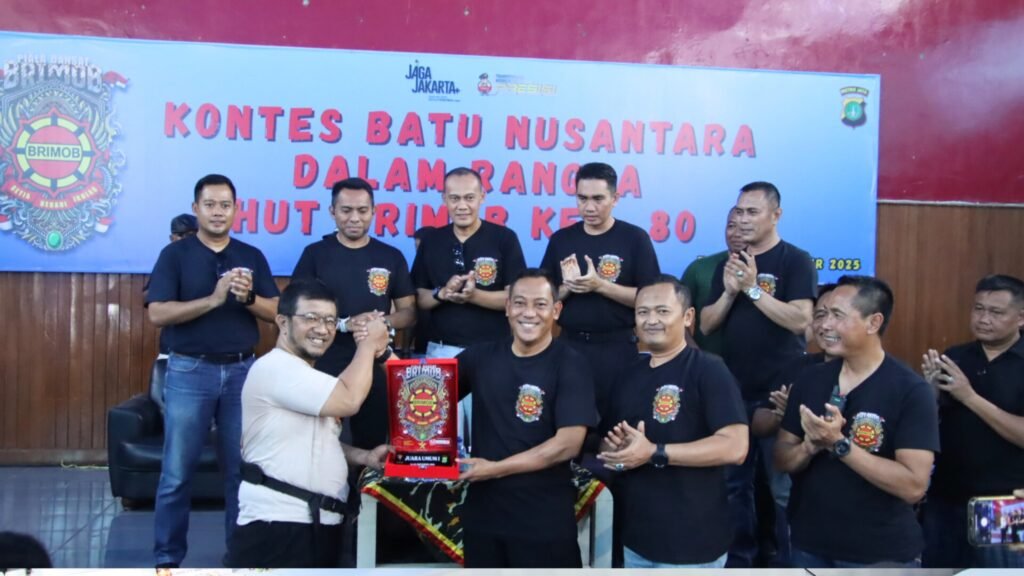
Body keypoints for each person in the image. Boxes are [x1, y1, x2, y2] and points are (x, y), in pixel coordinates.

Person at [146, 174, 280, 568]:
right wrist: (214, 299)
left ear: (236, 210)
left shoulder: (251, 255)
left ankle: (239, 557)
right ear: (196, 209)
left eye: (225, 205)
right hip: (190, 371)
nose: (218, 212)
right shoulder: (175, 255)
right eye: (210, 205)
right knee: (176, 474)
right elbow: (158, 313)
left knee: (241, 473)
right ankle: (167, 560)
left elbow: (276, 312)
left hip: (242, 372)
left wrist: (247, 297)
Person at [774, 275, 939, 568]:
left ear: (873, 323)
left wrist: (839, 444)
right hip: (809, 545)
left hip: (878, 555)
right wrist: (809, 447)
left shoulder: (911, 390)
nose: (824, 325)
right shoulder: (810, 380)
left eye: (838, 316)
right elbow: (782, 457)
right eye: (823, 314)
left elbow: (914, 486)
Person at [226, 280, 391, 568]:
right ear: (283, 322)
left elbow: (314, 439)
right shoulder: (277, 367)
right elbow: (349, 400)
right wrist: (369, 344)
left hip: (315, 525)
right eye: (311, 318)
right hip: (279, 526)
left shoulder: (307, 376)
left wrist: (363, 457)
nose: (323, 329)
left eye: (330, 320)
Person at [699, 181, 816, 566]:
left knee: (781, 489)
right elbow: (707, 325)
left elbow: (800, 319)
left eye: (753, 212)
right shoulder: (730, 262)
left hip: (781, 393)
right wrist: (730, 292)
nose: (744, 219)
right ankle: (740, 563)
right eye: (739, 211)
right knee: (734, 486)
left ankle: (788, 565)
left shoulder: (795, 260)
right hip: (733, 391)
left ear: (775, 215)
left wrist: (752, 290)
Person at [597, 276, 748, 568]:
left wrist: (655, 452)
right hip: (637, 540)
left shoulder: (709, 369)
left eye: (663, 311)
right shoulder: (628, 374)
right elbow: (609, 441)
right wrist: (615, 451)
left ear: (688, 317)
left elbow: (735, 447)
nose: (651, 320)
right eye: (642, 312)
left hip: (692, 544)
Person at [456, 269, 597, 568]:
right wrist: (379, 352)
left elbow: (568, 444)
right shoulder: (479, 358)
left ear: (556, 310)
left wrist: (495, 470)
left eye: (540, 304)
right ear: (507, 307)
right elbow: (423, 390)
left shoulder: (571, 364)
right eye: (519, 303)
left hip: (543, 521)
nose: (529, 313)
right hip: (484, 517)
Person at [291, 177, 416, 451]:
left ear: (374, 211)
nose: (355, 218)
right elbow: (296, 311)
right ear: (332, 212)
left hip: (375, 364)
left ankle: (364, 482)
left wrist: (380, 322)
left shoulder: (390, 256)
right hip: (322, 361)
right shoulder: (315, 255)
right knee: (318, 441)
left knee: (372, 445)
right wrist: (344, 324)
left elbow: (409, 313)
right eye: (346, 210)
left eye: (362, 210)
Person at [540, 162, 660, 423]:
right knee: (568, 421)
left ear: (615, 199)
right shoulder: (561, 239)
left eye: (598, 199)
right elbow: (542, 298)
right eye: (582, 198)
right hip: (569, 345)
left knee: (617, 424)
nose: (589, 207)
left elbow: (652, 299)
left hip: (617, 348)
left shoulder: (635, 238)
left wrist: (601, 286)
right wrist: (567, 288)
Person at [922, 274, 1024, 568]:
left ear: (1020, 318)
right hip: (945, 498)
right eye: (978, 309)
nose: (983, 319)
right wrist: (929, 391)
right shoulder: (956, 356)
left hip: (1004, 503)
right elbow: (932, 421)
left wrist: (969, 396)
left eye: (996, 312)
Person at [412, 167, 526, 356]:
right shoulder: (431, 241)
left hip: (493, 349)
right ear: (444, 199)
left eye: (469, 198)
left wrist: (474, 295)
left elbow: (517, 298)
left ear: (482, 197)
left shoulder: (504, 238)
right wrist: (443, 293)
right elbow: (418, 298)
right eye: (455, 198)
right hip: (440, 350)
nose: (462, 206)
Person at [680, 210, 743, 356]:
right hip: (707, 363)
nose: (736, 233)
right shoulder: (700, 268)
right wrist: (695, 355)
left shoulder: (773, 267)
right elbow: (677, 317)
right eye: (731, 226)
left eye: (744, 228)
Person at [144, 213, 198, 358]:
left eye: (192, 235)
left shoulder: (208, 258)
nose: (186, 239)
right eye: (181, 235)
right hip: (173, 346)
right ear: (172, 238)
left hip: (206, 346)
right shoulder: (168, 258)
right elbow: (147, 296)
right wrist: (167, 292)